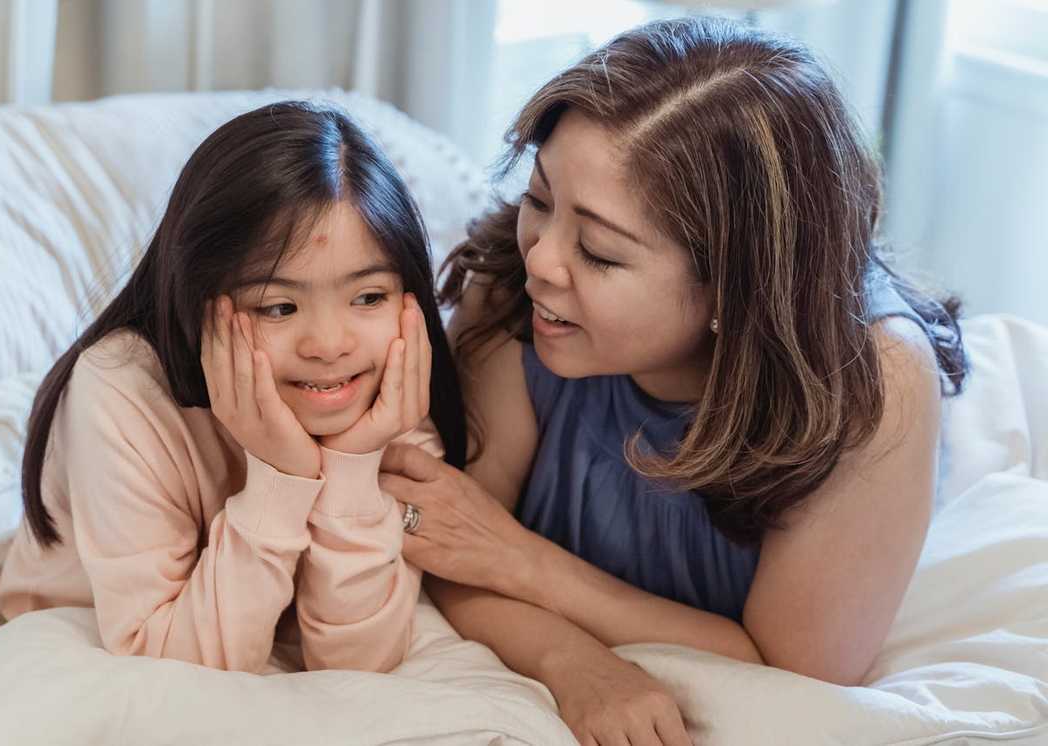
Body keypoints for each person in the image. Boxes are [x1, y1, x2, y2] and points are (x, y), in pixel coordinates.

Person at [377, 16, 967, 745]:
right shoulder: (513, 285)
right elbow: (452, 545)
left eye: (597, 251)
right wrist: (573, 661)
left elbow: (795, 667)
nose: (541, 260)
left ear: (733, 289)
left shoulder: (874, 383)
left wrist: (522, 560)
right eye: (539, 199)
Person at [0, 101, 466, 675]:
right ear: (200, 302)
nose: (328, 344)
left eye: (369, 297)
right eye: (278, 306)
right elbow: (172, 669)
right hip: (92, 652)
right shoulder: (121, 390)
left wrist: (354, 468)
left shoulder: (384, 389)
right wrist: (281, 481)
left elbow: (359, 667)